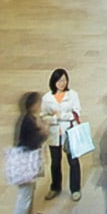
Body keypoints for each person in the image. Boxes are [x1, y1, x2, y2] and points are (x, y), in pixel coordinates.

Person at [41, 68, 83, 202]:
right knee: (55, 162)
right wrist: (54, 119)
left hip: (69, 132)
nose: (62, 83)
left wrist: (61, 116)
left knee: (73, 162)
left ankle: (75, 189)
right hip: (54, 133)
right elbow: (43, 116)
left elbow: (76, 114)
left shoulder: (73, 95)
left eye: (64, 80)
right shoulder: (47, 98)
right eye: (59, 81)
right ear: (54, 82)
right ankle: (55, 187)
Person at [11, 91, 48, 214]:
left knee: (30, 190)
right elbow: (34, 140)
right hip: (25, 162)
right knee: (25, 194)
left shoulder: (28, 119)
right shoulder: (28, 121)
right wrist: (45, 130)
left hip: (27, 160)